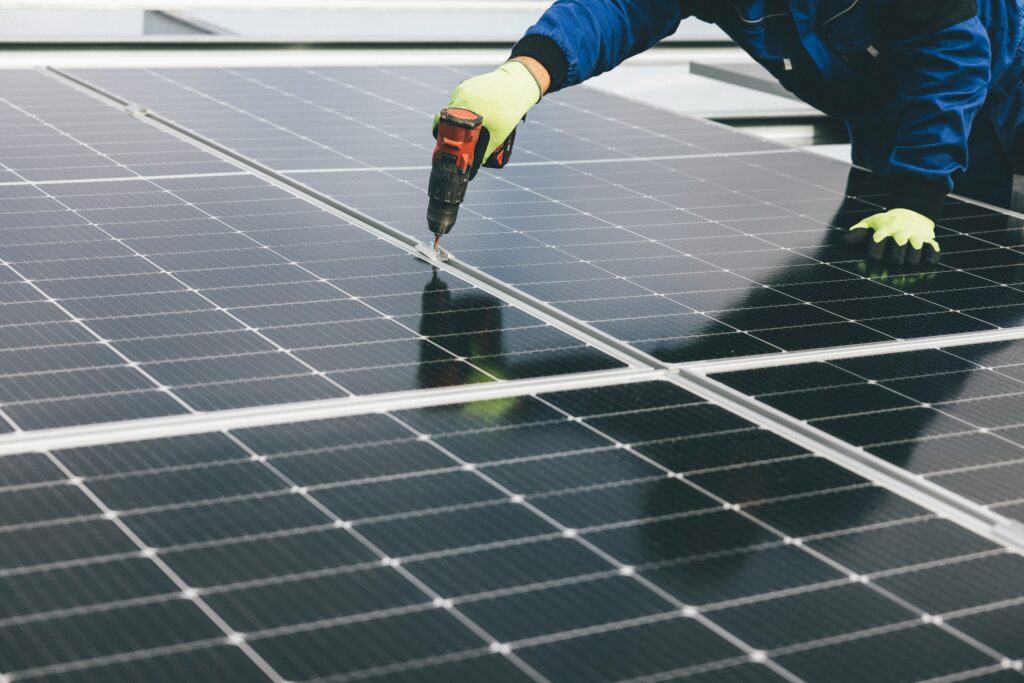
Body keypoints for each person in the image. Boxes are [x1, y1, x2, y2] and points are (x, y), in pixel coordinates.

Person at [437, 0, 1024, 267]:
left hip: (998, 87)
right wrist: (526, 74)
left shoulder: (832, 501)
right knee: (871, 264)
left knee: (962, 260)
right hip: (880, 106)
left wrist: (918, 198)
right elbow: (620, 8)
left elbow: (951, 61)